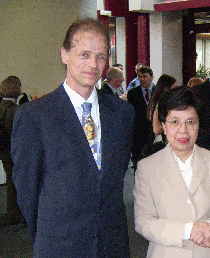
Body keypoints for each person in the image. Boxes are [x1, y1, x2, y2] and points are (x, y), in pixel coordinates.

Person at [11, 18, 135, 257]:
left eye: (101, 56)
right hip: (59, 245)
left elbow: (114, 175)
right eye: (84, 55)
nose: (93, 64)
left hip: (112, 245)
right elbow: (26, 190)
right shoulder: (34, 116)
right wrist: (49, 235)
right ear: (64, 54)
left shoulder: (122, 114)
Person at [134, 86, 210, 258]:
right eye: (174, 122)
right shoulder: (147, 167)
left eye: (190, 122)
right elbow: (143, 222)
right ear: (163, 125)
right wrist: (188, 231)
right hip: (167, 252)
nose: (183, 131)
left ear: (199, 124)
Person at [0, 76, 25, 225]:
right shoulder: (14, 110)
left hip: (4, 149)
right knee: (16, 183)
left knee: (11, 182)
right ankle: (16, 214)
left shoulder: (2, 106)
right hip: (12, 150)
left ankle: (12, 214)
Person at [139, 74, 177, 160]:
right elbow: (156, 130)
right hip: (160, 145)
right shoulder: (160, 104)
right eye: (174, 88)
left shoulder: (156, 102)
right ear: (166, 88)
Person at [127, 66, 155, 169]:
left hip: (154, 136)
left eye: (145, 76)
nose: (142, 79)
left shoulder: (158, 92)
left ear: (152, 77)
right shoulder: (133, 93)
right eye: (140, 77)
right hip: (139, 136)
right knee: (139, 167)